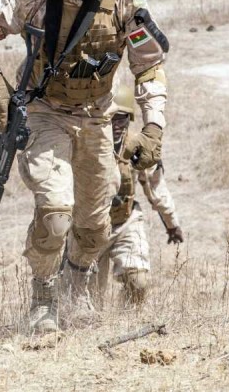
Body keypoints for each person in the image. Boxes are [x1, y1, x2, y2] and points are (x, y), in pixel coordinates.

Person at [0, 0, 169, 333]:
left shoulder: (127, 1)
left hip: (97, 118)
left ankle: (77, 291)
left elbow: (149, 68)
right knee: (56, 213)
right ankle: (43, 298)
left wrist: (152, 127)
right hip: (44, 112)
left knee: (95, 228)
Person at [93, 85, 183, 306]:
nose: (117, 124)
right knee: (89, 297)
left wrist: (171, 223)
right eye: (112, 118)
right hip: (90, 226)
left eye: (122, 118)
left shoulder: (137, 147)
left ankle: (128, 320)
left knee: (138, 282)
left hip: (125, 221)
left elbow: (156, 187)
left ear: (129, 118)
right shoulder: (87, 146)